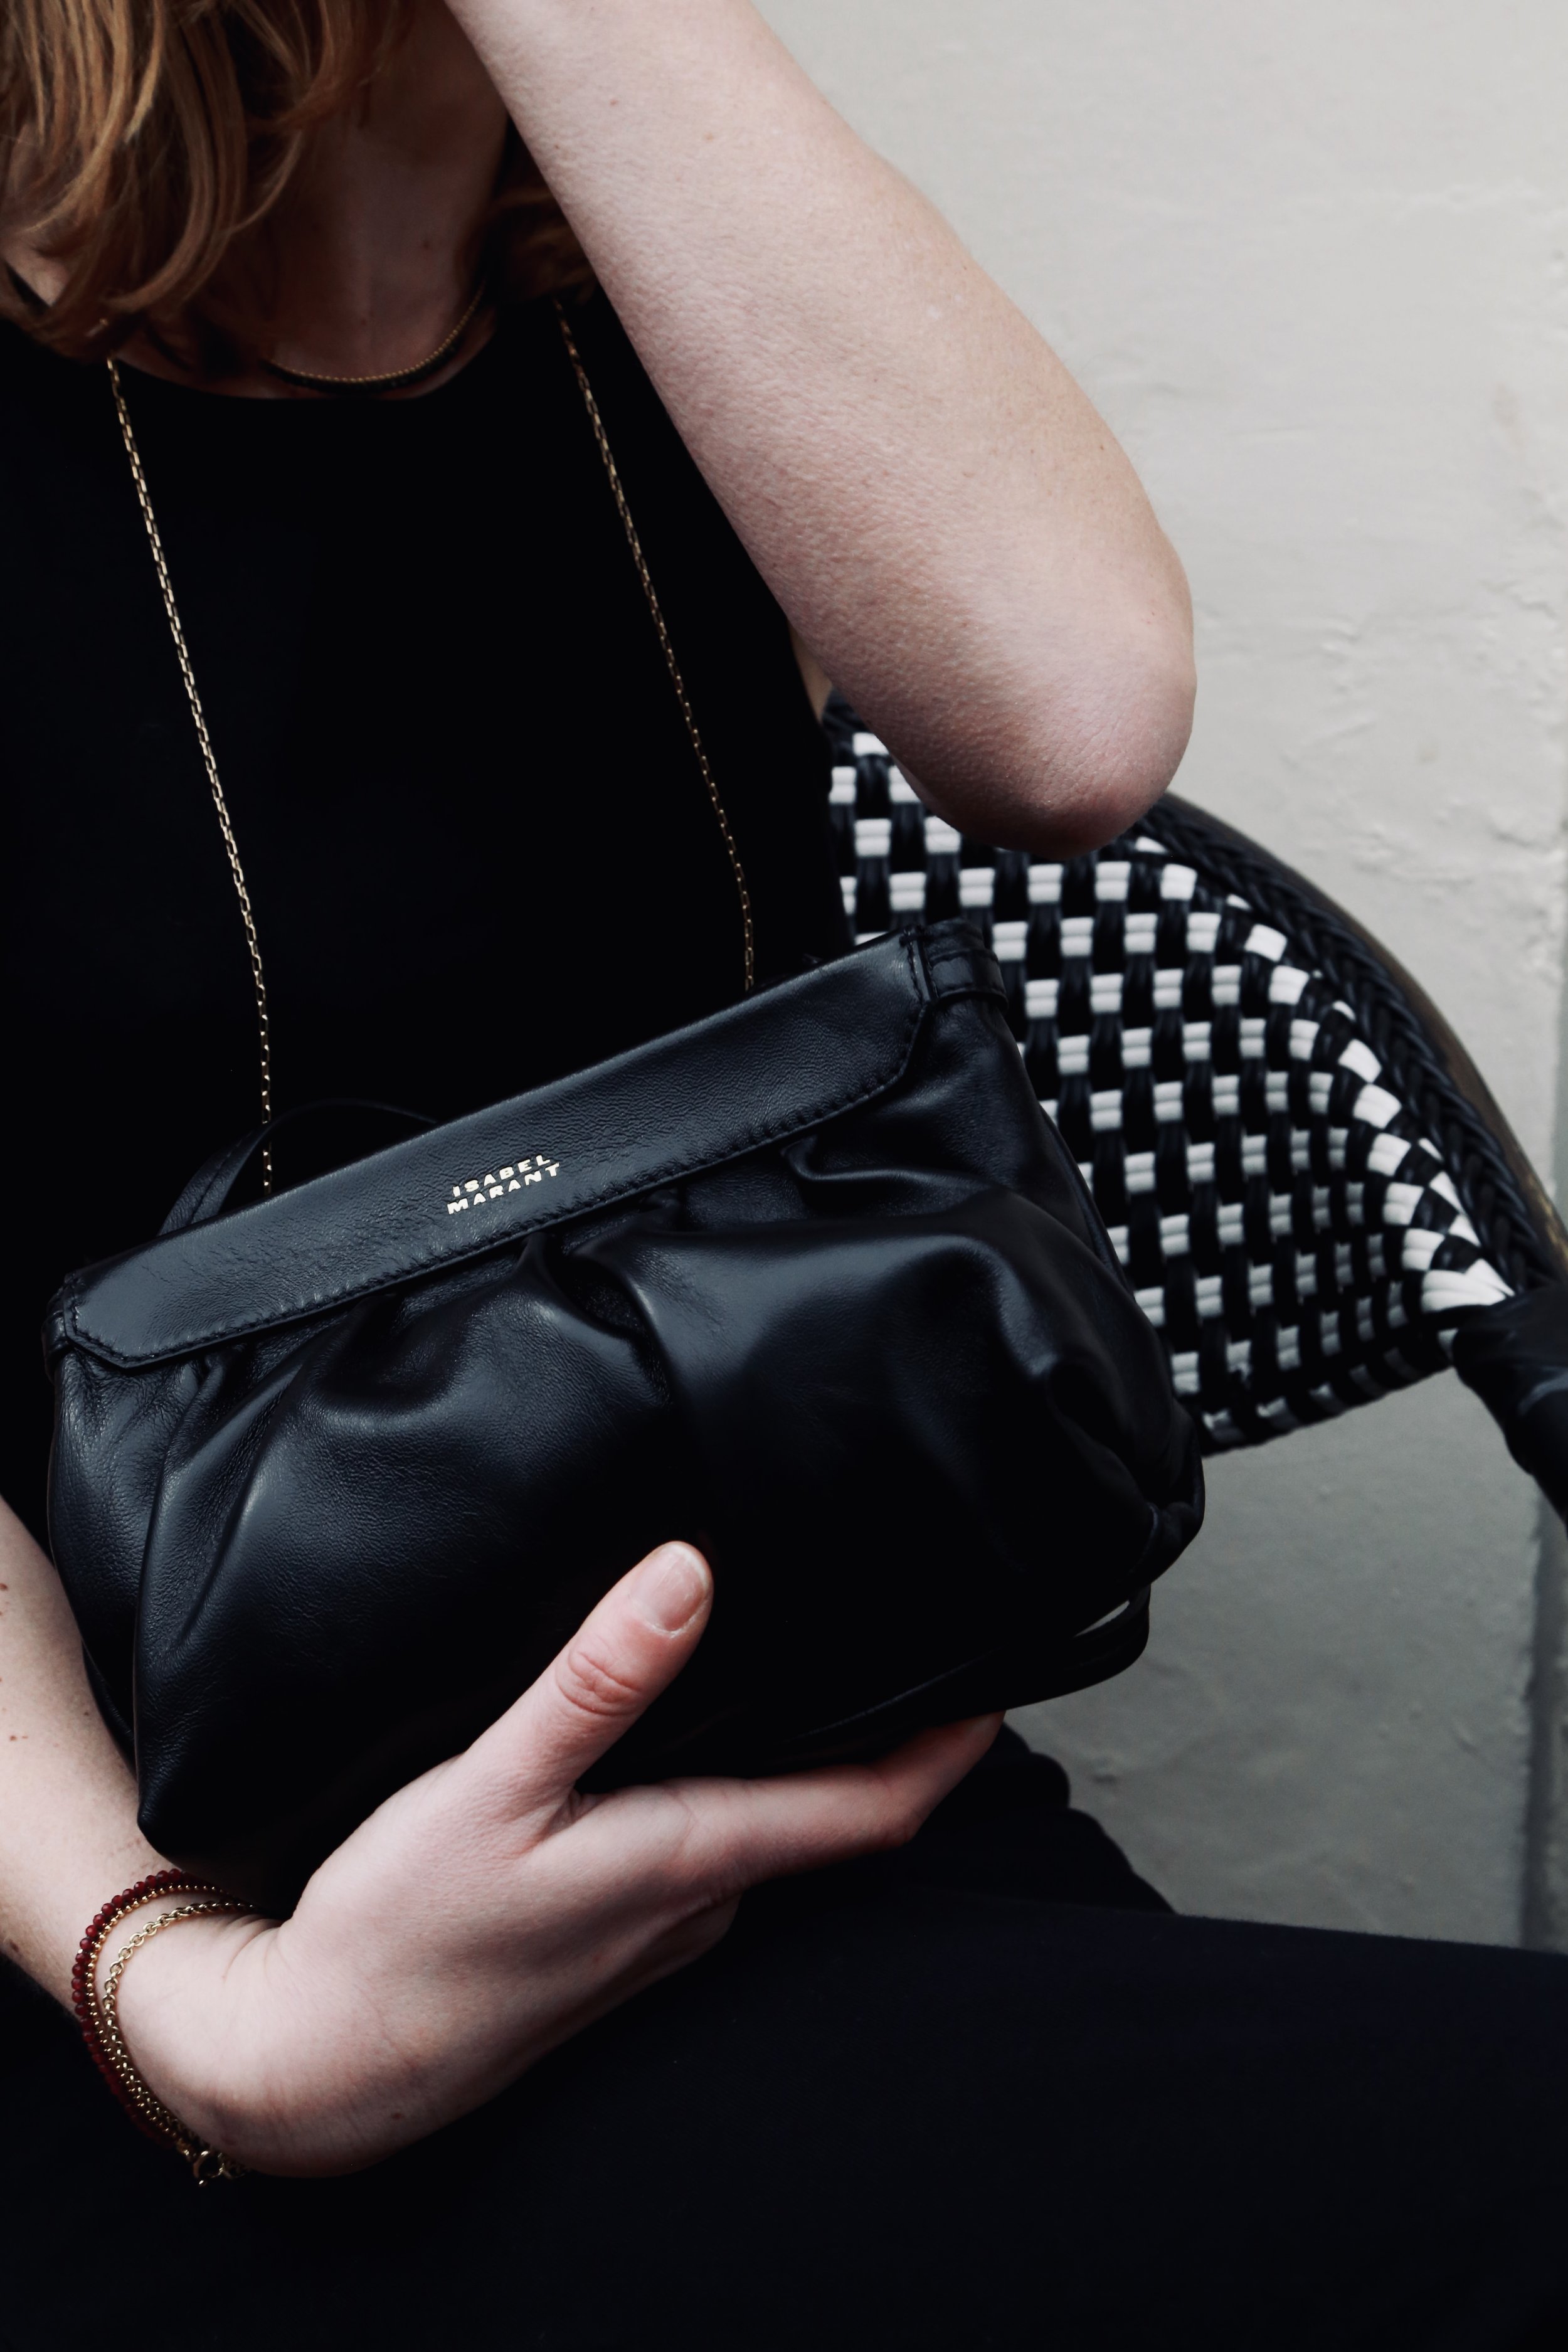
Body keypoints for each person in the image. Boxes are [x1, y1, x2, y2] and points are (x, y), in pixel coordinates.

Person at [1, 3, 1566, 2343]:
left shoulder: (662, 299)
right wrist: (187, 1996)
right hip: (123, 1930)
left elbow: (1062, 719)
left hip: (798, 1793)